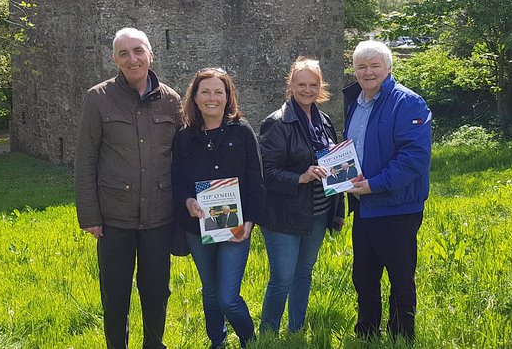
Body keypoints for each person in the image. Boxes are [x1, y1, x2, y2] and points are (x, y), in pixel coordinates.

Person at [74, 28, 182, 349]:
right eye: (124, 53)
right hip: (113, 220)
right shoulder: (98, 99)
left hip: (159, 218)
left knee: (156, 291)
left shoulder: (172, 101)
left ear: (151, 54)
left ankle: (154, 344)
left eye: (138, 51)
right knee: (115, 293)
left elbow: (182, 158)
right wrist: (90, 216)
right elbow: (85, 161)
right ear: (114, 59)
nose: (132, 59)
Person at [344, 40, 432, 342]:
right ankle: (367, 334)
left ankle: (401, 337)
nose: (368, 72)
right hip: (363, 207)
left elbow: (414, 159)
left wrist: (373, 185)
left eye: (374, 65)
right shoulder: (355, 103)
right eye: (361, 66)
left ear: (389, 68)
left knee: (400, 279)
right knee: (364, 277)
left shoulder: (407, 103)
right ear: (354, 71)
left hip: (396, 208)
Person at [171, 68, 263, 349]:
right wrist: (187, 201)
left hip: (237, 227)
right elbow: (176, 179)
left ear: (227, 97)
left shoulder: (242, 130)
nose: (212, 98)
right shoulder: (184, 136)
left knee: (227, 296)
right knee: (210, 293)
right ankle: (217, 341)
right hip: (197, 227)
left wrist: (249, 222)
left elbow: (256, 180)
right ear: (195, 98)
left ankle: (250, 341)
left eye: (218, 92)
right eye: (205, 92)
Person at [258, 57, 345, 334]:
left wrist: (338, 210)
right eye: (301, 84)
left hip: (317, 214)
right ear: (291, 85)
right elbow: (266, 173)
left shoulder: (325, 120)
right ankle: (269, 333)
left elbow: (336, 165)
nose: (307, 90)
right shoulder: (276, 123)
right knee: (282, 278)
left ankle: (296, 329)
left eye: (313, 84)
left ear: (320, 86)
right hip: (283, 215)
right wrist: (300, 177)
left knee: (303, 274)